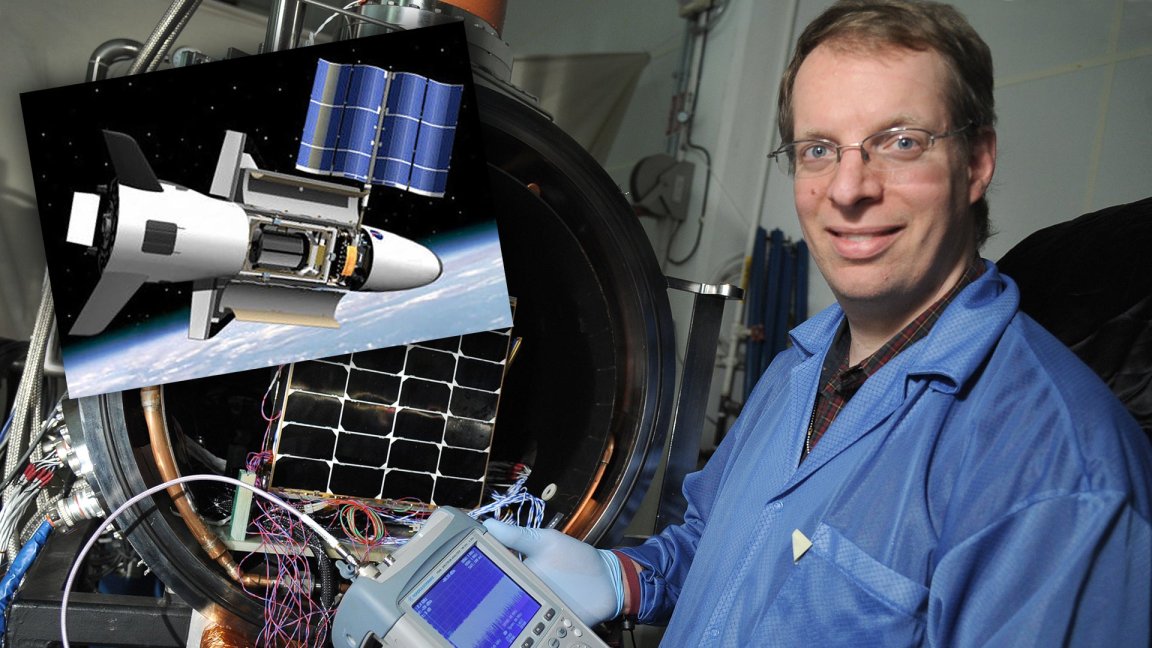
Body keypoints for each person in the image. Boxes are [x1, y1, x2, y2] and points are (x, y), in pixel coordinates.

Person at [485, 0, 1152, 644]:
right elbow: (721, 550)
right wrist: (626, 577)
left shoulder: (1062, 472)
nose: (848, 188)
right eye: (818, 149)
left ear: (976, 162)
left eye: (900, 142)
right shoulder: (797, 371)